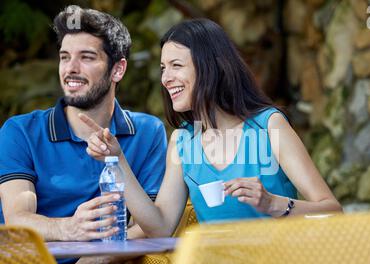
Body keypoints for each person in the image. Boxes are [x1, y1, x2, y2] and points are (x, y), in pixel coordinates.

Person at [80, 18, 342, 238]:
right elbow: (160, 226)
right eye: (163, 68)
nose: (165, 78)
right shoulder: (182, 141)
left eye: (176, 66)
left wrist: (272, 203)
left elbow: (331, 211)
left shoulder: (269, 126)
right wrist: (117, 159)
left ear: (210, 68)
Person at [0, 6, 167, 264]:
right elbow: (17, 219)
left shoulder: (148, 133)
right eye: (65, 57)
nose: (71, 69)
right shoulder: (20, 132)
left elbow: (149, 226)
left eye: (87, 57)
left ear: (118, 69)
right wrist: (71, 228)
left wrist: (98, 258)